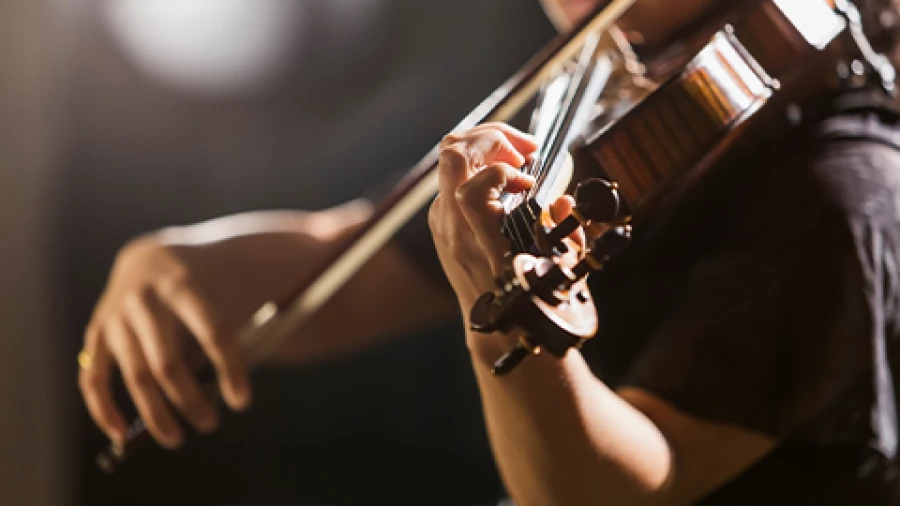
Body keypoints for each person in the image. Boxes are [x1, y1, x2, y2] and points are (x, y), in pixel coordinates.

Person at [79, 0, 900, 504]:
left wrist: (504, 328)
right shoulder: (616, 85)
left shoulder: (839, 197)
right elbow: (358, 262)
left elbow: (615, 490)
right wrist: (186, 263)